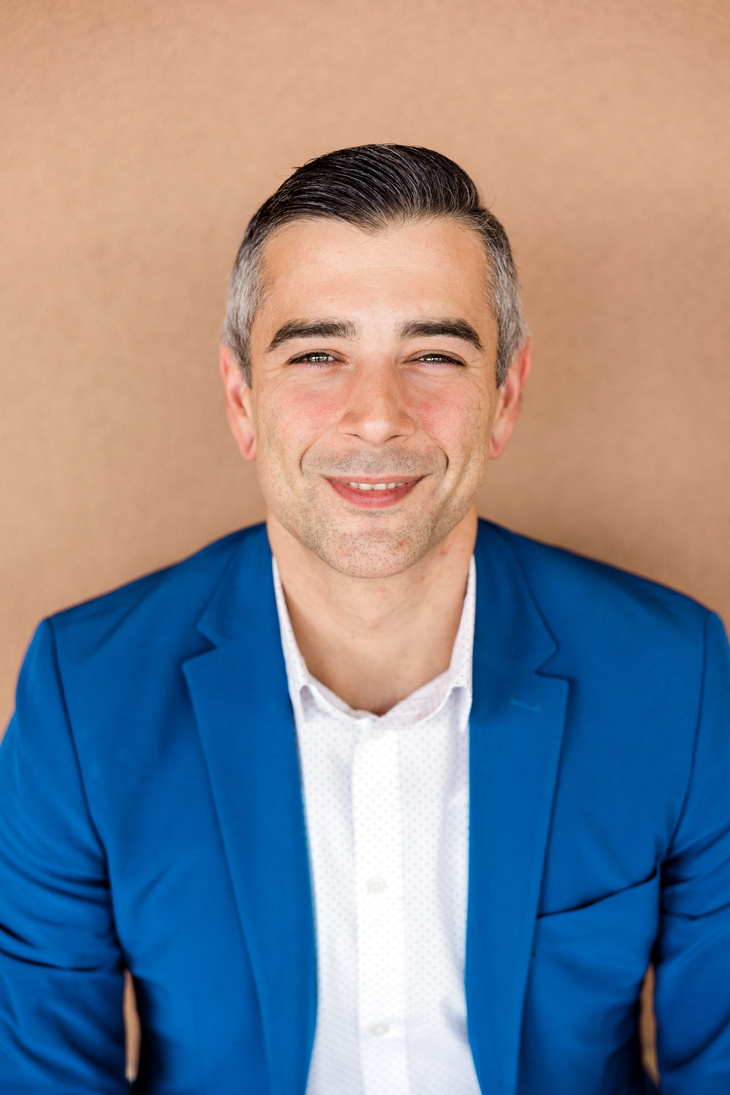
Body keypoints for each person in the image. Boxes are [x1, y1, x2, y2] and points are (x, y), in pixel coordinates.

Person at [0, 145, 728, 1095]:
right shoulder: (85, 693)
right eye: (318, 355)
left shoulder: (677, 676)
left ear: (504, 396)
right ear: (241, 399)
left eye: (433, 355)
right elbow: (42, 1074)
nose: (378, 415)